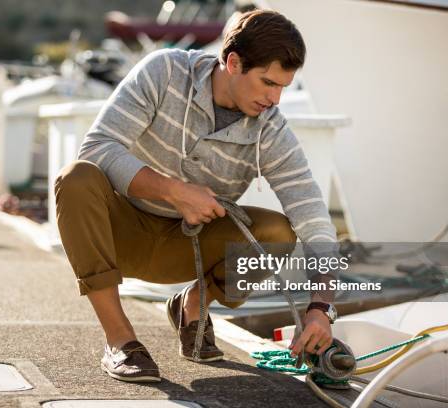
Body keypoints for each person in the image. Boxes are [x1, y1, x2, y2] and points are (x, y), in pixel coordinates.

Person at [54, 9, 337, 383]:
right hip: (119, 233)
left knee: (278, 232)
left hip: (187, 248)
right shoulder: (166, 72)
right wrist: (174, 191)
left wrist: (321, 306)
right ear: (233, 62)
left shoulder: (270, 128)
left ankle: (191, 305)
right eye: (268, 82)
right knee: (75, 178)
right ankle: (120, 341)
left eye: (283, 86)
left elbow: (313, 216)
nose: (276, 99)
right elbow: (97, 148)